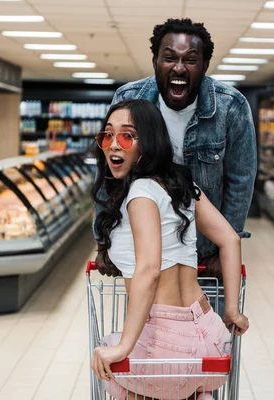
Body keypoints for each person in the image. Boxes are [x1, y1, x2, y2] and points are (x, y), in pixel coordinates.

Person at [93, 18, 257, 316]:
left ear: (205, 65)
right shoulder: (130, 100)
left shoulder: (231, 106)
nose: (179, 68)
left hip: (204, 251)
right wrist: (103, 239)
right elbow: (109, 174)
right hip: (146, 251)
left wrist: (225, 246)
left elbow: (240, 180)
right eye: (169, 58)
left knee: (205, 346)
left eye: (190, 60)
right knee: (156, 337)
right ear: (155, 61)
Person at [90, 99, 249, 400]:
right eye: (107, 135)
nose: (113, 145)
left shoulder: (139, 194)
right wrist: (231, 311)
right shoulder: (181, 185)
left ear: (147, 143)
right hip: (213, 341)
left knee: (109, 368)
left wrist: (123, 347)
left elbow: (149, 270)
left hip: (167, 351)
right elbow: (230, 239)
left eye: (126, 136)